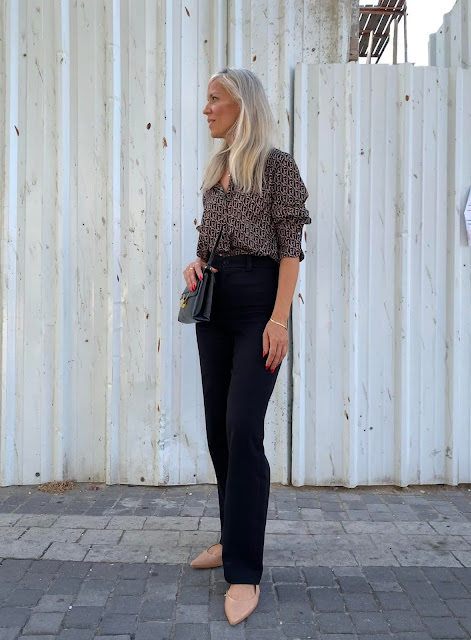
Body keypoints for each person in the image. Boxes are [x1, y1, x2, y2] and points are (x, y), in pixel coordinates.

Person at [183, 67, 311, 626]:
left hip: (260, 302)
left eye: (215, 100)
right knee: (217, 428)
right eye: (207, 100)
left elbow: (290, 249)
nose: (206, 109)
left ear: (242, 105)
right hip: (213, 301)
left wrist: (278, 320)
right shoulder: (217, 171)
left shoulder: (276, 166)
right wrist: (195, 261)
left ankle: (245, 571)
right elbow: (208, 239)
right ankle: (230, 537)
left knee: (243, 428)